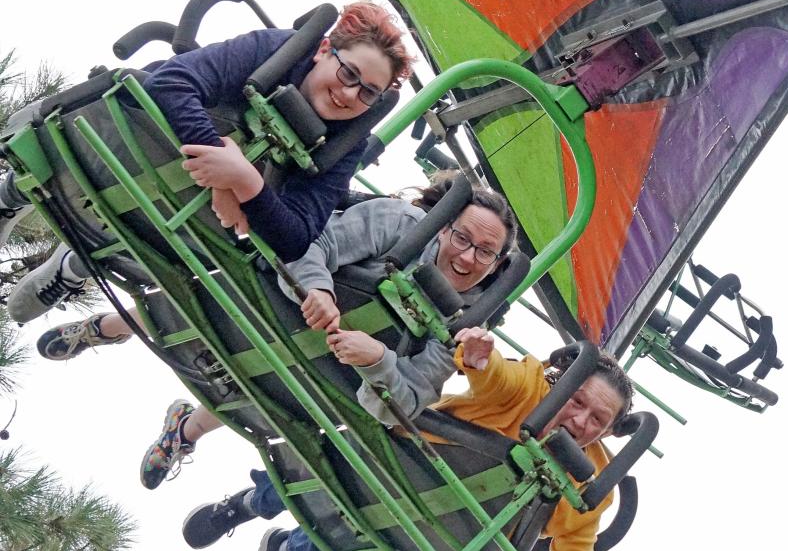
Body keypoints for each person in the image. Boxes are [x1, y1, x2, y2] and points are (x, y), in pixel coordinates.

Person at [37, 174, 517, 489]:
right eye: (462, 238)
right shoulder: (403, 224)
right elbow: (310, 244)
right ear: (442, 229)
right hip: (286, 304)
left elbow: (407, 401)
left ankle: (183, 430)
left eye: (485, 253)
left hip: (324, 365)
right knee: (207, 304)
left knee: (281, 394)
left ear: (497, 266)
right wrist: (319, 291)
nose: (468, 258)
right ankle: (108, 326)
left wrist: (379, 361)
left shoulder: (464, 323)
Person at [0, 1, 414, 323]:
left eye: (368, 94)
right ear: (325, 50)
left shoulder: (344, 144)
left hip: (172, 214)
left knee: (188, 244)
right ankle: (12, 194)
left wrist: (246, 182)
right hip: (122, 142)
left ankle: (74, 265)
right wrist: (219, 176)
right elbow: (172, 83)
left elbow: (297, 236)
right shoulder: (277, 50)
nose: (349, 96)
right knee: (142, 118)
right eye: (348, 75)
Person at [182, 328, 634, 551]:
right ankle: (244, 506)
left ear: (609, 431)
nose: (580, 422)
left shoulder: (591, 478)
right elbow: (499, 379)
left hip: (433, 524)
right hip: (402, 465)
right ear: (563, 386)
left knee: (379, 535)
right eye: (577, 403)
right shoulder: (532, 387)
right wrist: (478, 360)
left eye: (598, 420)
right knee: (336, 479)